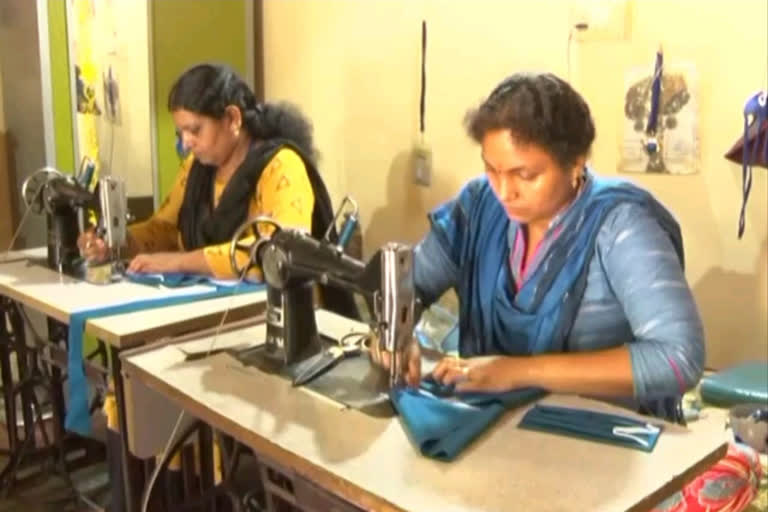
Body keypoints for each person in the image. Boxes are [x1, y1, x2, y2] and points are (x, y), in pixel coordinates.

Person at [373, 72, 761, 511]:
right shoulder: (479, 206)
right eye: (491, 168)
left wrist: (517, 371)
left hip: (604, 447)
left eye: (526, 174)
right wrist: (394, 331)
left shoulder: (621, 225)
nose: (504, 190)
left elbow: (678, 358)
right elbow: (411, 283)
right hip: (491, 430)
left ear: (575, 162)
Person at [78, 63, 337, 282]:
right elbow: (166, 231)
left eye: (195, 130)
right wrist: (117, 243)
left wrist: (180, 263)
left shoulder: (281, 166)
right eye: (181, 133)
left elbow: (279, 251)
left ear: (233, 119)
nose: (187, 142)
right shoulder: (196, 168)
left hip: (283, 318)